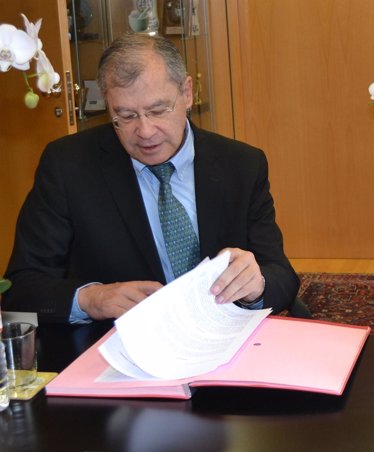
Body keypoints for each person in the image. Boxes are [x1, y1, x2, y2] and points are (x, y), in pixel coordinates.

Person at [3, 33, 299, 323]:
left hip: (221, 337)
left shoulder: (242, 165)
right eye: (126, 116)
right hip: (121, 348)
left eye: (158, 110)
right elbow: (20, 288)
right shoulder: (68, 166)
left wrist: (255, 284)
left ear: (187, 93)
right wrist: (91, 299)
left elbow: (281, 275)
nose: (145, 132)